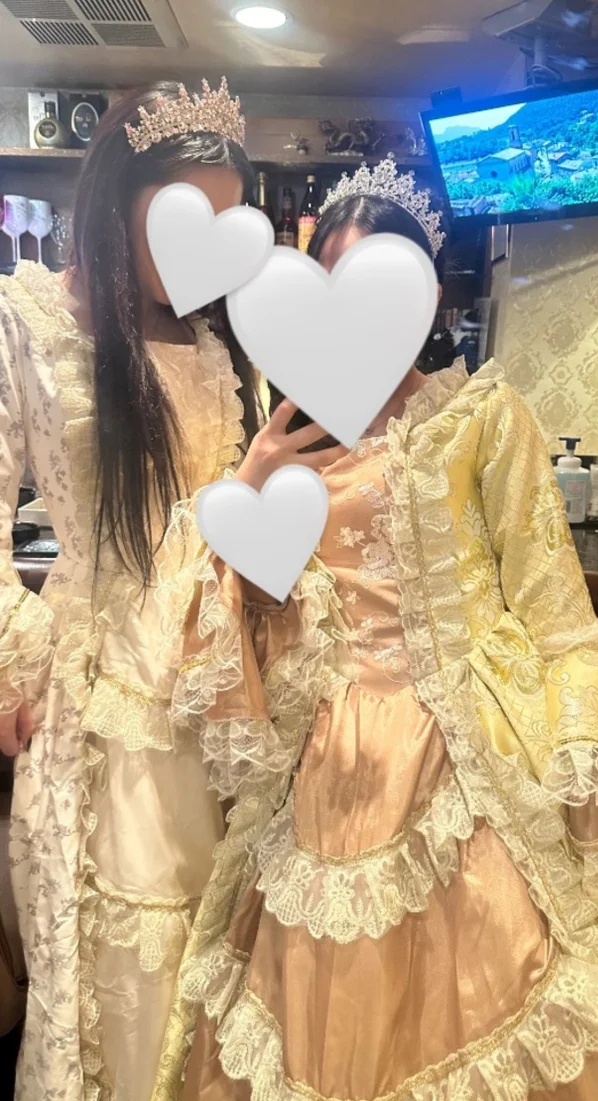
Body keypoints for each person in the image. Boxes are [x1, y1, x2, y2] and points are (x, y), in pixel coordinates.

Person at [161, 156, 598, 1101]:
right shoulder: (295, 439)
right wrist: (253, 476)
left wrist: (585, 752)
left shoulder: (480, 417)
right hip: (329, 757)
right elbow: (254, 617)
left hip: (461, 749)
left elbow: (552, 606)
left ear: (422, 301)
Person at [0, 79, 341, 1101]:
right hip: (106, 690)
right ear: (118, 204)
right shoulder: (26, 321)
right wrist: (11, 659)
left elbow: (225, 531)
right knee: (126, 948)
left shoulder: (211, 345)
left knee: (219, 939)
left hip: (213, 674)